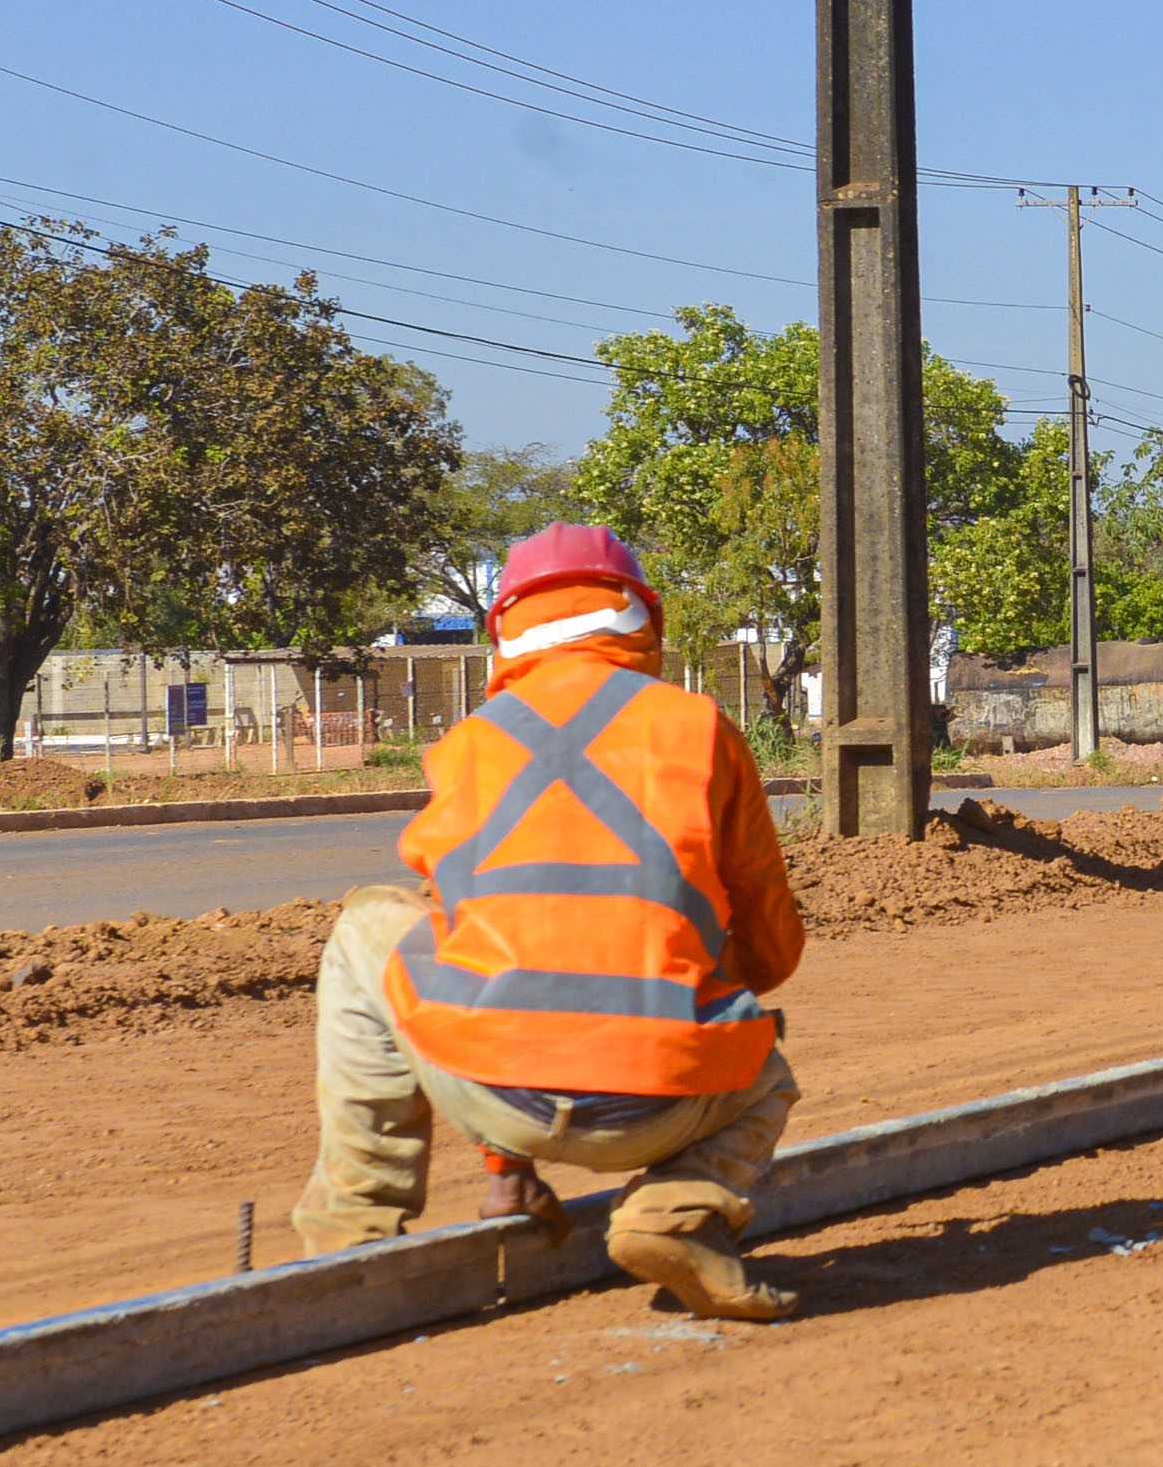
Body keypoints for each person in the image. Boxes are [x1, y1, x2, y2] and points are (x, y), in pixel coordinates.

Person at [290, 521, 810, 1321]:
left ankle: (352, 1235)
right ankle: (674, 1210)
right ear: (643, 619)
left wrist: (507, 1159)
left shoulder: (465, 747)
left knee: (369, 923)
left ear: (504, 630)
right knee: (766, 1069)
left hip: (489, 1092)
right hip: (666, 1105)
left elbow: (472, 955)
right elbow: (773, 952)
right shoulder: (700, 729)